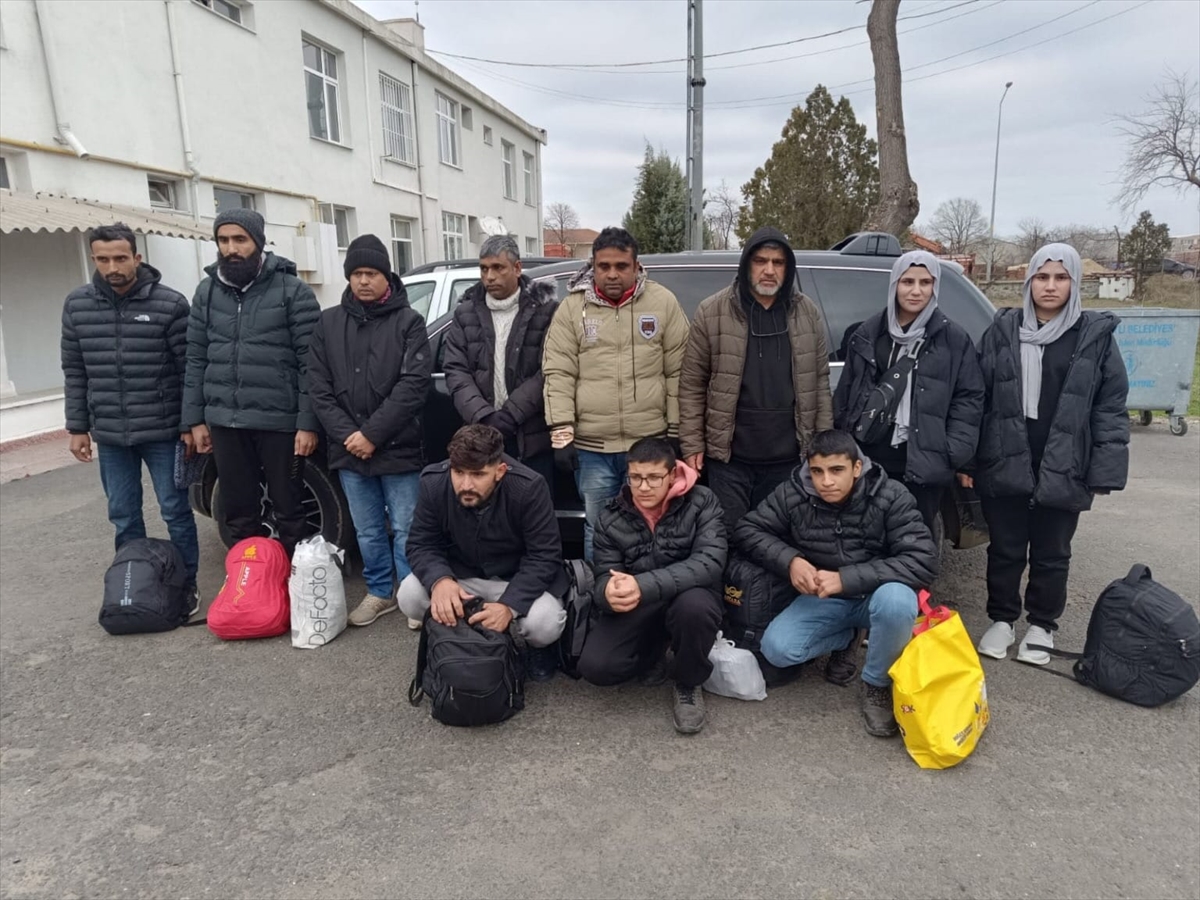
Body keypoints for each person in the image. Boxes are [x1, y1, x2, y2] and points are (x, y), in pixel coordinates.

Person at [966, 243, 1129, 664]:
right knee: (1004, 547)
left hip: (1065, 463)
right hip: (1005, 456)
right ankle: (1002, 619)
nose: (1050, 286)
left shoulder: (1093, 338)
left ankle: (1042, 624)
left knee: (1052, 550)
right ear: (1029, 282)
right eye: (1042, 277)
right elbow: (976, 398)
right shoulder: (1003, 331)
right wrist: (967, 460)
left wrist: (1105, 468)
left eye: (1060, 277)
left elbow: (1108, 406)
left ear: (1074, 283)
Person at [733, 430, 939, 737]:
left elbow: (923, 560)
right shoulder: (793, 492)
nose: (826, 481)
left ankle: (876, 685)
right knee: (778, 650)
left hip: (876, 596)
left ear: (857, 468)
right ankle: (847, 639)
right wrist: (790, 560)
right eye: (817, 471)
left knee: (898, 601)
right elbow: (748, 530)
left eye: (836, 470)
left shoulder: (891, 495)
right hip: (822, 596)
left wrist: (847, 579)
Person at [61, 223, 200, 611]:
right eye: (103, 259)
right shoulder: (77, 306)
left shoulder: (170, 305)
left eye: (120, 258)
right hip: (109, 434)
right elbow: (75, 370)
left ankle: (186, 584)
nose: (112, 267)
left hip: (164, 431)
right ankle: (134, 583)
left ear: (137, 257)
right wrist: (77, 427)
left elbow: (190, 369)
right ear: (94, 259)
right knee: (123, 514)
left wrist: (190, 423)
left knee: (175, 511)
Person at [542, 226, 690, 560]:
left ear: (636, 267)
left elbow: (678, 373)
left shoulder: (662, 303)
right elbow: (558, 373)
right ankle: (602, 597)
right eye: (603, 266)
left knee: (653, 523)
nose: (612, 274)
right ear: (592, 266)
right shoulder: (572, 309)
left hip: (648, 444)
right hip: (592, 449)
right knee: (599, 525)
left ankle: (649, 595)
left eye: (621, 266)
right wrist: (562, 434)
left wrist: (677, 432)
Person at [308, 234, 431, 628]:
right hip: (349, 450)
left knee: (406, 526)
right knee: (367, 530)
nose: (363, 281)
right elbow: (318, 386)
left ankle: (411, 594)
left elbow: (414, 385)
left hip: (397, 446)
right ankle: (379, 592)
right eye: (357, 273)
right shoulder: (327, 323)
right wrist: (350, 436)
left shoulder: (409, 322)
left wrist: (372, 434)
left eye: (372, 273)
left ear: (386, 276)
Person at [183, 209, 321, 556]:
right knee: (239, 515)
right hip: (226, 423)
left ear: (258, 242)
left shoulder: (293, 291)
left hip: (280, 423)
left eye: (240, 239)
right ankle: (252, 595)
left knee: (289, 512)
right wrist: (195, 419)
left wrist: (308, 423)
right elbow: (196, 357)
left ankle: (297, 590)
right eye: (223, 240)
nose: (231, 248)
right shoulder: (207, 293)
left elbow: (312, 365)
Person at [679, 226, 833, 532]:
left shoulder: (807, 313)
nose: (769, 270)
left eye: (778, 263)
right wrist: (692, 444)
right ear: (746, 263)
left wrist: (823, 445)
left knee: (775, 539)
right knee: (729, 537)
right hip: (730, 459)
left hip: (788, 458)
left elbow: (820, 383)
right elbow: (692, 385)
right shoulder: (712, 311)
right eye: (761, 261)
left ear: (787, 269)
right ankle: (734, 584)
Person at [578, 437, 727, 735]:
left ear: (672, 474)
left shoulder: (702, 501)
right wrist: (607, 593)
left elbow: (710, 562)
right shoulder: (611, 515)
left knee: (695, 609)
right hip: (641, 602)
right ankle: (654, 653)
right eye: (635, 478)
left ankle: (688, 681)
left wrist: (642, 585)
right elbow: (604, 575)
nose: (643, 487)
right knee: (596, 667)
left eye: (654, 478)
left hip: (689, 595)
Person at [833, 250, 984, 538]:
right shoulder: (868, 333)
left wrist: (952, 452)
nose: (916, 291)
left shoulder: (953, 339)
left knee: (915, 539)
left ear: (934, 287)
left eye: (925, 283)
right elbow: (846, 394)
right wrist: (844, 445)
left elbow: (969, 400)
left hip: (924, 460)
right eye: (907, 282)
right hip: (870, 456)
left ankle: (914, 586)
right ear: (894, 285)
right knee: (865, 535)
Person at [399, 425, 568, 681]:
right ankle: (464, 639)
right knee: (409, 594)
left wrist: (509, 606)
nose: (466, 484)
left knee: (544, 624)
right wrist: (440, 581)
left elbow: (544, 555)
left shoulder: (529, 487)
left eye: (478, 474)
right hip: (464, 576)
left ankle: (538, 648)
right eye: (458, 473)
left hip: (515, 577)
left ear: (500, 471)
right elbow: (421, 543)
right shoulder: (434, 482)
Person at [443, 235, 557, 488]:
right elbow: (455, 370)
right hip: (481, 435)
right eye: (484, 269)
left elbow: (550, 369)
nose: (489, 276)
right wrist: (484, 416)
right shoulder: (465, 313)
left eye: (498, 268)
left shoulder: (545, 310)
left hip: (530, 435)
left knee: (532, 515)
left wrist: (510, 414)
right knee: (484, 518)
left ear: (517, 268)